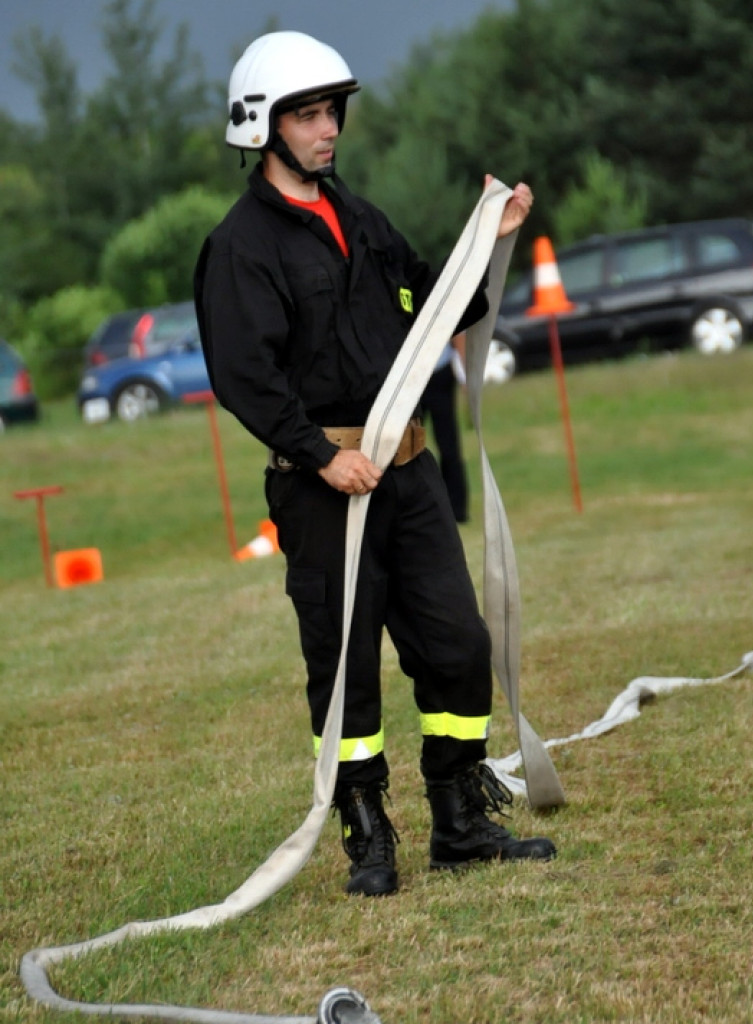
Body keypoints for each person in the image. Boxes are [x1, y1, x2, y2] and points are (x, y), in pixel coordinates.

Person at [194, 30, 556, 897]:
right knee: (345, 665)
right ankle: (367, 840)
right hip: (324, 489)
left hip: (410, 475)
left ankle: (460, 824)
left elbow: (434, 309)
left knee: (458, 643)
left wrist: (491, 239)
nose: (329, 130)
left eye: (332, 113)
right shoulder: (241, 246)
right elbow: (244, 375)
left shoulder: (359, 217)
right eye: (309, 116)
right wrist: (321, 455)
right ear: (262, 127)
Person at [420, 333, 469, 523]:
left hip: (439, 373)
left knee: (448, 445)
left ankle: (457, 509)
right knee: (406, 447)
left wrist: (465, 373)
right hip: (408, 378)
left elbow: (457, 331)